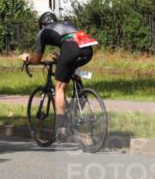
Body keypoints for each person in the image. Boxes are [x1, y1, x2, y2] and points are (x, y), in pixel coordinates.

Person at [20, 11, 98, 139]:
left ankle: (61, 129)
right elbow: (71, 43)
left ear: (42, 25)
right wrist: (61, 58)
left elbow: (37, 59)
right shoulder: (66, 24)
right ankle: (80, 96)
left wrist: (27, 59)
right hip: (87, 49)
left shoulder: (43, 32)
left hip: (71, 48)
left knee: (59, 88)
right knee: (71, 68)